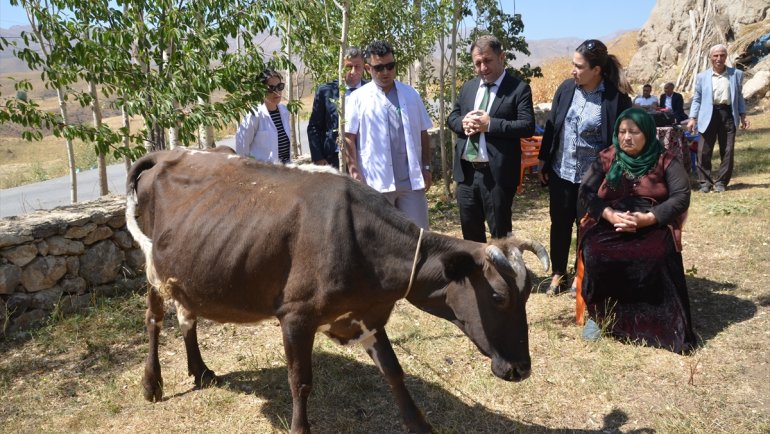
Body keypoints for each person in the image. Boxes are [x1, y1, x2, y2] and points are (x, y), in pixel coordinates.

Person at [576, 108, 695, 353]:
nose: (626, 138)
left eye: (633, 132)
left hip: (652, 219)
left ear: (648, 133)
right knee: (596, 251)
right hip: (612, 218)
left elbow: (681, 196)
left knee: (655, 252)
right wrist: (608, 214)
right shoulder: (607, 157)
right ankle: (600, 316)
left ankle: (656, 321)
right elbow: (586, 192)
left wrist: (648, 219)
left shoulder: (665, 159)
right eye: (621, 132)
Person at [537, 39, 632, 296]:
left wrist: (615, 173)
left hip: (593, 179)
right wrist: (544, 160)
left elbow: (623, 139)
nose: (573, 71)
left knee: (588, 225)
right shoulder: (566, 89)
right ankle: (559, 272)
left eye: (579, 66)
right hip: (561, 172)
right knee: (559, 223)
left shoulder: (615, 98)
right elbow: (552, 127)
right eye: (573, 65)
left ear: (597, 70)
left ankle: (583, 272)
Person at [446, 34, 535, 242]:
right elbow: (452, 117)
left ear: (501, 57)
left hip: (497, 176)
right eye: (477, 63)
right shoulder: (468, 87)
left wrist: (491, 125)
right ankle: (478, 274)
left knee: (500, 236)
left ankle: (503, 275)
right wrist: (462, 123)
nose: (483, 68)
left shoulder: (518, 89)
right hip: (467, 174)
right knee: (471, 237)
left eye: (487, 61)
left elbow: (527, 125)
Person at [344, 40, 433, 229]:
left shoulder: (411, 94)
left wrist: (426, 167)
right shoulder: (357, 98)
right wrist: (354, 170)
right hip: (376, 183)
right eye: (379, 68)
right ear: (368, 68)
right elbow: (349, 137)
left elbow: (423, 131)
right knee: (382, 240)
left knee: (419, 237)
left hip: (411, 183)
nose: (385, 72)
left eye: (390, 66)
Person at [687, 44, 750, 193]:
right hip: (708, 115)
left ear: (726, 57)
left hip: (728, 114)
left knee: (728, 150)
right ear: (710, 58)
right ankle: (705, 183)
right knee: (704, 151)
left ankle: (722, 182)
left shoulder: (736, 74)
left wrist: (743, 115)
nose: (719, 59)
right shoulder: (702, 77)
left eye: (722, 55)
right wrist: (692, 118)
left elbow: (739, 97)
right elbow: (697, 99)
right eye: (715, 56)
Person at [307, 47, 367, 168]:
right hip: (334, 160)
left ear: (364, 67)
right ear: (340, 67)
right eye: (349, 67)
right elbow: (314, 127)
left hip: (365, 160)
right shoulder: (326, 91)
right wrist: (318, 158)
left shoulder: (372, 90)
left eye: (357, 67)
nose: (353, 72)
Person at [235, 69, 292, 164]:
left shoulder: (284, 111)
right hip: (264, 174)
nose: (276, 92)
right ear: (260, 91)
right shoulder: (254, 115)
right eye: (271, 88)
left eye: (279, 87)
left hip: (285, 172)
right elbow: (242, 148)